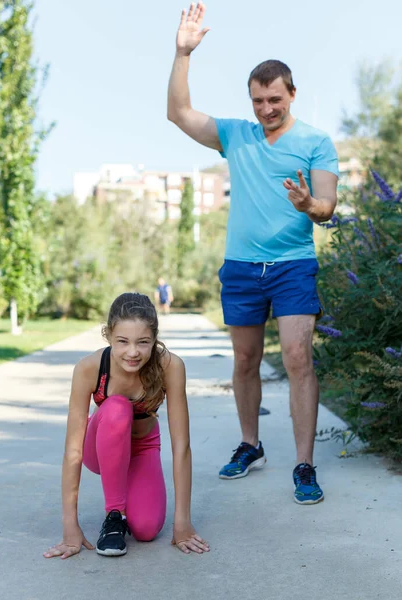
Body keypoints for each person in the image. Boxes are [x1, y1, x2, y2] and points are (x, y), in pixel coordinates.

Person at [167, 3, 339, 504]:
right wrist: (183, 54)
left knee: (296, 356)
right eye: (259, 100)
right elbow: (178, 113)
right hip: (242, 266)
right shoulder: (236, 136)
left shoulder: (315, 141)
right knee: (244, 359)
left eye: (275, 99)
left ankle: (304, 465)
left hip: (291, 266)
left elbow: (327, 206)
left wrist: (310, 204)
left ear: (292, 95)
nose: (266, 109)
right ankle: (250, 444)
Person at [44, 293, 209, 559]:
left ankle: (129, 508)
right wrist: (69, 527)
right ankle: (114, 515)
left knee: (146, 529)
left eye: (143, 342)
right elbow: (73, 451)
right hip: (98, 446)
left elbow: (182, 446)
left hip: (142, 446)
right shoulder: (89, 368)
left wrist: (182, 523)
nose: (133, 352)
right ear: (108, 335)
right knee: (118, 408)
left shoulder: (170, 366)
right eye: (122, 341)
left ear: (154, 338)